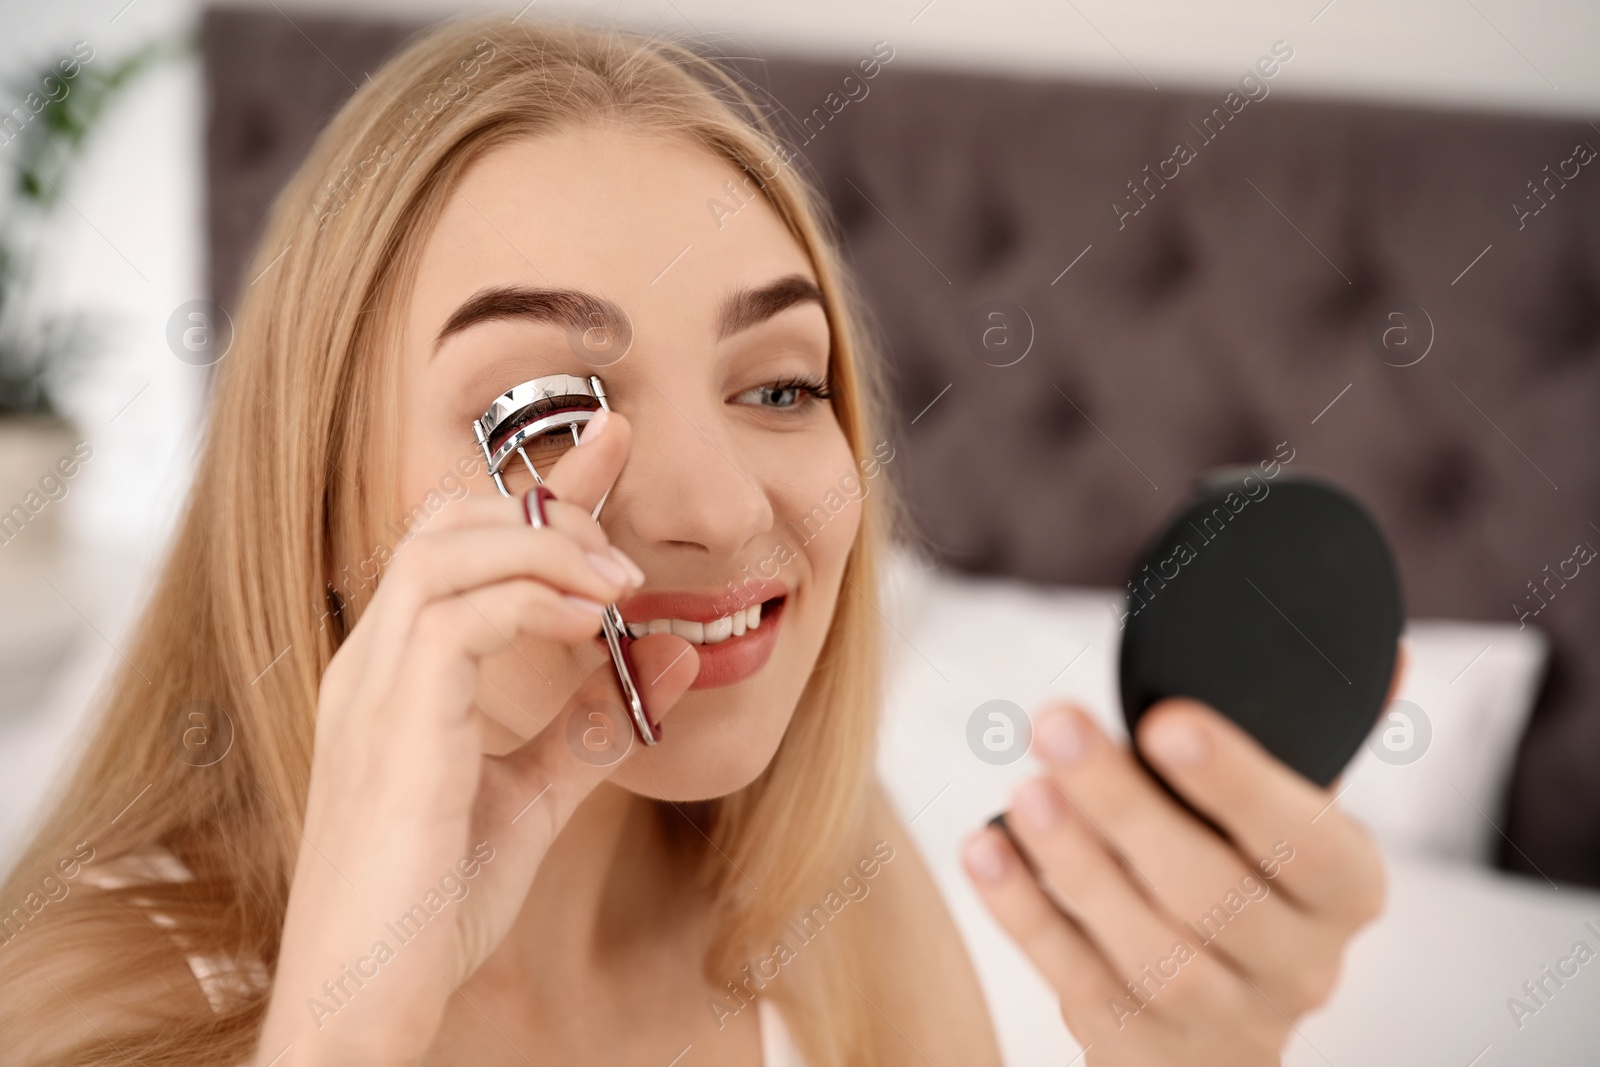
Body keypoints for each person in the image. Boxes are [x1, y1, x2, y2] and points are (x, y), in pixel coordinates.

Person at [0, 18, 1385, 1066]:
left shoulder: (824, 884)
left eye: (779, 386)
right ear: (317, 513)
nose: (723, 511)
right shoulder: (76, 1006)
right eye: (546, 410)